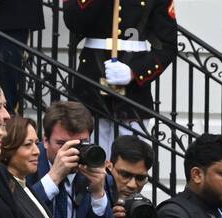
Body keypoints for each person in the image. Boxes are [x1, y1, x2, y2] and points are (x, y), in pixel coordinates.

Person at [63, 0, 178, 148]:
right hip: (92, 77)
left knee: (130, 157)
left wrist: (134, 72)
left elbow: (167, 46)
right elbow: (75, 23)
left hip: (133, 89)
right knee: (91, 159)